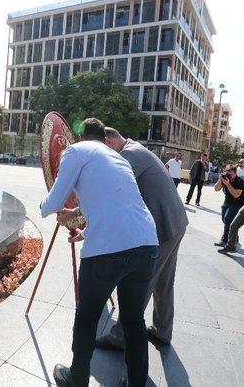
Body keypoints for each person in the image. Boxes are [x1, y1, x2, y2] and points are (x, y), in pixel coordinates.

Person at [40, 118, 158, 387]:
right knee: (133, 320)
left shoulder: (76, 151)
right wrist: (81, 217)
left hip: (107, 253)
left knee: (87, 316)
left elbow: (56, 200)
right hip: (147, 245)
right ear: (105, 139)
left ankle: (77, 379)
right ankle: (137, 382)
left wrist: (43, 208)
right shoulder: (118, 159)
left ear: (81, 137)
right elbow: (114, 200)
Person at [71, 127, 187, 350]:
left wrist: (77, 211)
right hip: (174, 221)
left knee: (140, 287)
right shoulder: (137, 149)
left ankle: (121, 337)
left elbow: (110, 191)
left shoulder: (129, 155)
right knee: (163, 282)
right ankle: (163, 330)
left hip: (162, 226)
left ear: (108, 141)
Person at [213, 164, 244, 247]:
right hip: (227, 202)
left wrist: (228, 184)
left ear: (235, 173)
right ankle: (235, 236)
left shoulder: (240, 181)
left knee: (228, 219)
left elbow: (236, 195)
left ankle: (224, 240)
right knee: (225, 220)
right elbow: (216, 189)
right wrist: (220, 180)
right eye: (227, 173)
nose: (229, 175)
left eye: (230, 174)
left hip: (238, 203)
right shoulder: (226, 179)